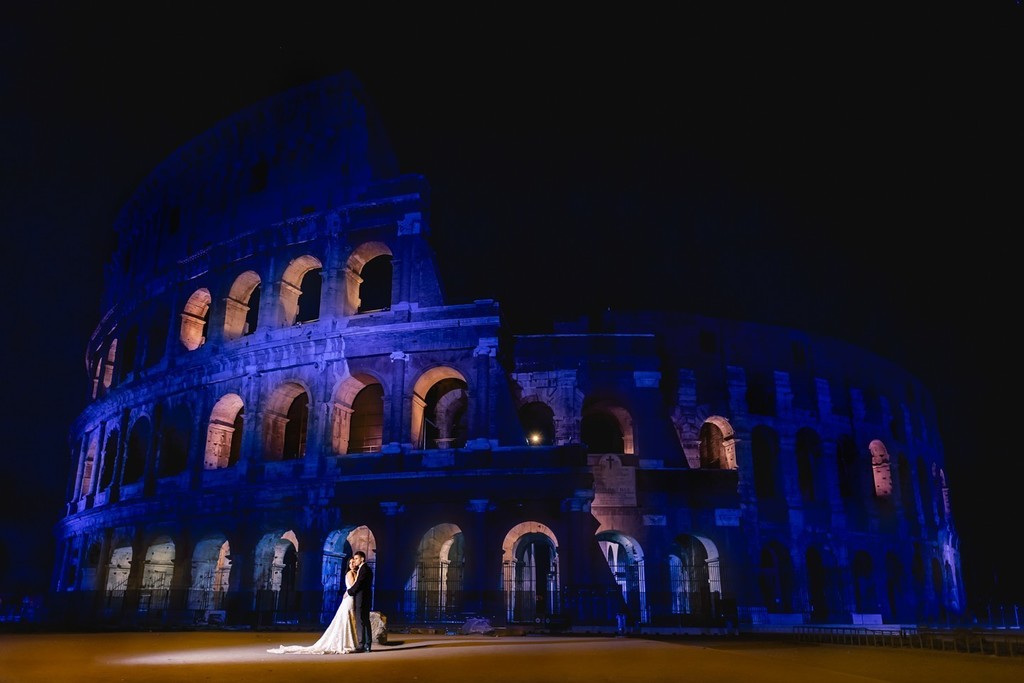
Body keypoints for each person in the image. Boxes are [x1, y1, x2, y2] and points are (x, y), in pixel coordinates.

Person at [267, 557, 359, 655]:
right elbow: (353, 585)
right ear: (348, 565)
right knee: (347, 618)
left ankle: (349, 641)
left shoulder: (354, 573)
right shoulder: (350, 573)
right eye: (350, 563)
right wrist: (359, 577)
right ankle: (347, 642)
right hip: (349, 599)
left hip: (350, 597)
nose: (352, 564)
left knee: (349, 618)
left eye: (354, 563)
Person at [347, 550, 374, 653]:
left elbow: (359, 584)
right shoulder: (364, 569)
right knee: (364, 621)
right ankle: (366, 644)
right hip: (364, 598)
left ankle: (362, 644)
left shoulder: (364, 569)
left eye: (357, 558)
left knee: (361, 621)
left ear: (362, 559)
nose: (355, 560)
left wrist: (349, 592)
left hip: (362, 599)